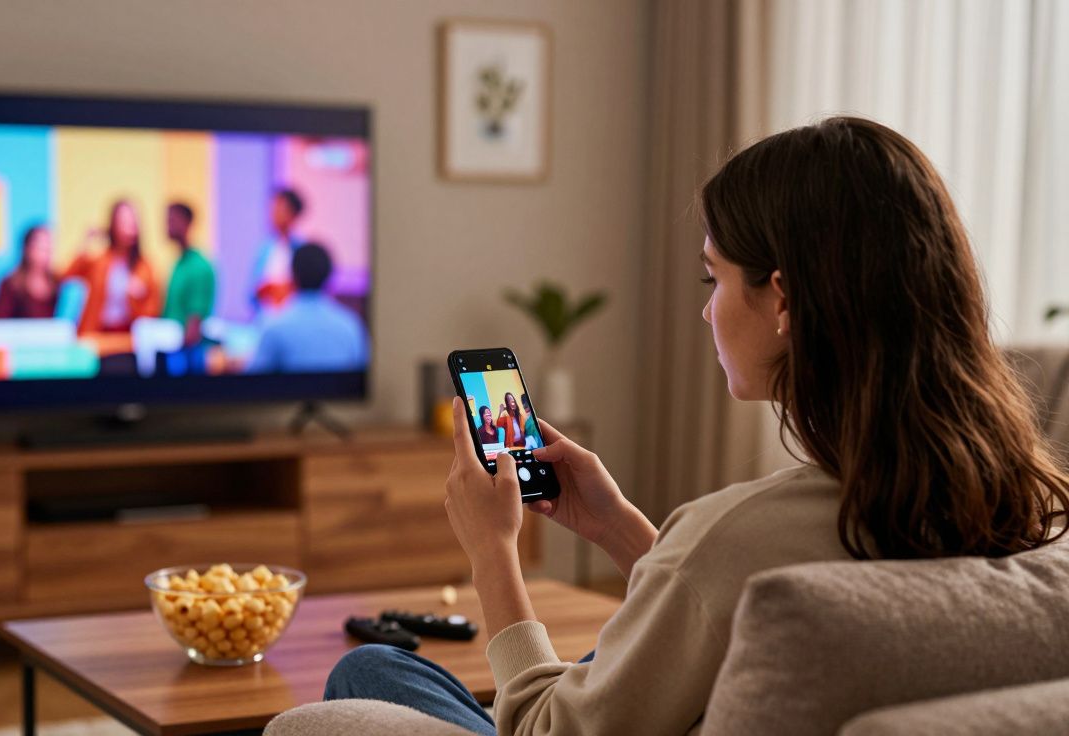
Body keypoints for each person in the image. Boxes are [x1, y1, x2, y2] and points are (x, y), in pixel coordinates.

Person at [322, 117, 1069, 735]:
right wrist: (620, 527)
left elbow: (545, 729)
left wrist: (492, 551)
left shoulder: (736, 535)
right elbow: (747, 617)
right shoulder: (1026, 504)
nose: (708, 309)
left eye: (714, 277)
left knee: (372, 669)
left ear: (783, 301)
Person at [249, 243, 367, 373]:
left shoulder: (275, 327)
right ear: (329, 275)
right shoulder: (351, 327)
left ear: (293, 275)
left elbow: (252, 383)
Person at [64, 200, 161, 334]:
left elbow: (153, 311)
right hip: (98, 335)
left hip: (129, 338)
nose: (129, 227)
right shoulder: (98, 261)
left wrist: (140, 298)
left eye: (132, 221)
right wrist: (84, 244)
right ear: (113, 224)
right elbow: (68, 276)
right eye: (123, 222)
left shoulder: (144, 266)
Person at [162, 202, 216, 346]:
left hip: (186, 352)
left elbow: (195, 322)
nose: (167, 225)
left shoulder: (199, 266)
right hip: (170, 342)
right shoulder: (179, 263)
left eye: (171, 220)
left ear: (186, 223)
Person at [248, 187, 306, 316]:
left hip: (292, 318)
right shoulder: (265, 248)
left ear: (294, 214)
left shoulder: (301, 250)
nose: (274, 213)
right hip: (265, 317)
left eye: (280, 209)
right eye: (273, 208)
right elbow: (252, 292)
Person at [0, 225, 60, 319]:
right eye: (41, 248)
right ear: (27, 249)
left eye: (49, 248)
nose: (46, 254)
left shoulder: (57, 283)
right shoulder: (11, 284)